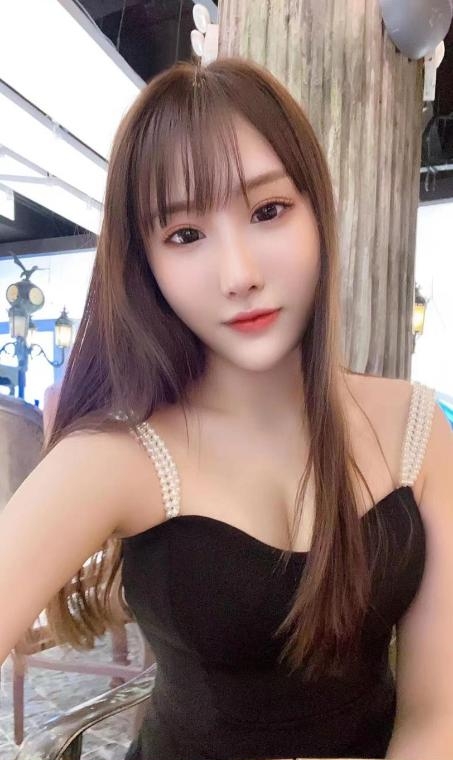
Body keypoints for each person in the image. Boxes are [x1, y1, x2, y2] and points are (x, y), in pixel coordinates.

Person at [0, 57, 452, 760]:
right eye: (184, 235)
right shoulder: (120, 458)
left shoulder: (415, 430)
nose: (239, 275)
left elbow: (435, 717)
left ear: (318, 211)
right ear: (146, 263)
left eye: (268, 211)